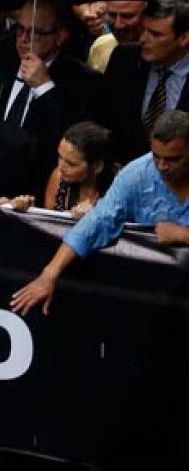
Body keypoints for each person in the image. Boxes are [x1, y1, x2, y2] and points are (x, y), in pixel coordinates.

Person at [11, 110, 189, 317]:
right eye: (156, 156)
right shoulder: (137, 174)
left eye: (173, 159)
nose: (161, 166)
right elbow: (98, 221)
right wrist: (49, 274)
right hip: (158, 295)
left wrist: (182, 235)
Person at [0, 0, 102, 171]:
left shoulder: (84, 81)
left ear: (59, 37)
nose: (23, 39)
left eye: (34, 33)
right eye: (20, 29)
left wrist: (44, 88)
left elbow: (76, 142)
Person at [103, 0, 189, 161]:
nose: (143, 39)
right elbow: (105, 120)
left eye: (155, 34)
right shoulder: (124, 59)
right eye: (143, 30)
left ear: (184, 38)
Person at [0, 121, 116, 218]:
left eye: (71, 164)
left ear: (97, 166)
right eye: (60, 157)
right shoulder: (59, 177)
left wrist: (95, 217)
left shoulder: (122, 184)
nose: (61, 166)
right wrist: (27, 208)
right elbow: (48, 222)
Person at [89, 0, 147, 72]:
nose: (118, 25)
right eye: (112, 15)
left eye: (127, 16)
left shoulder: (158, 54)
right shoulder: (101, 45)